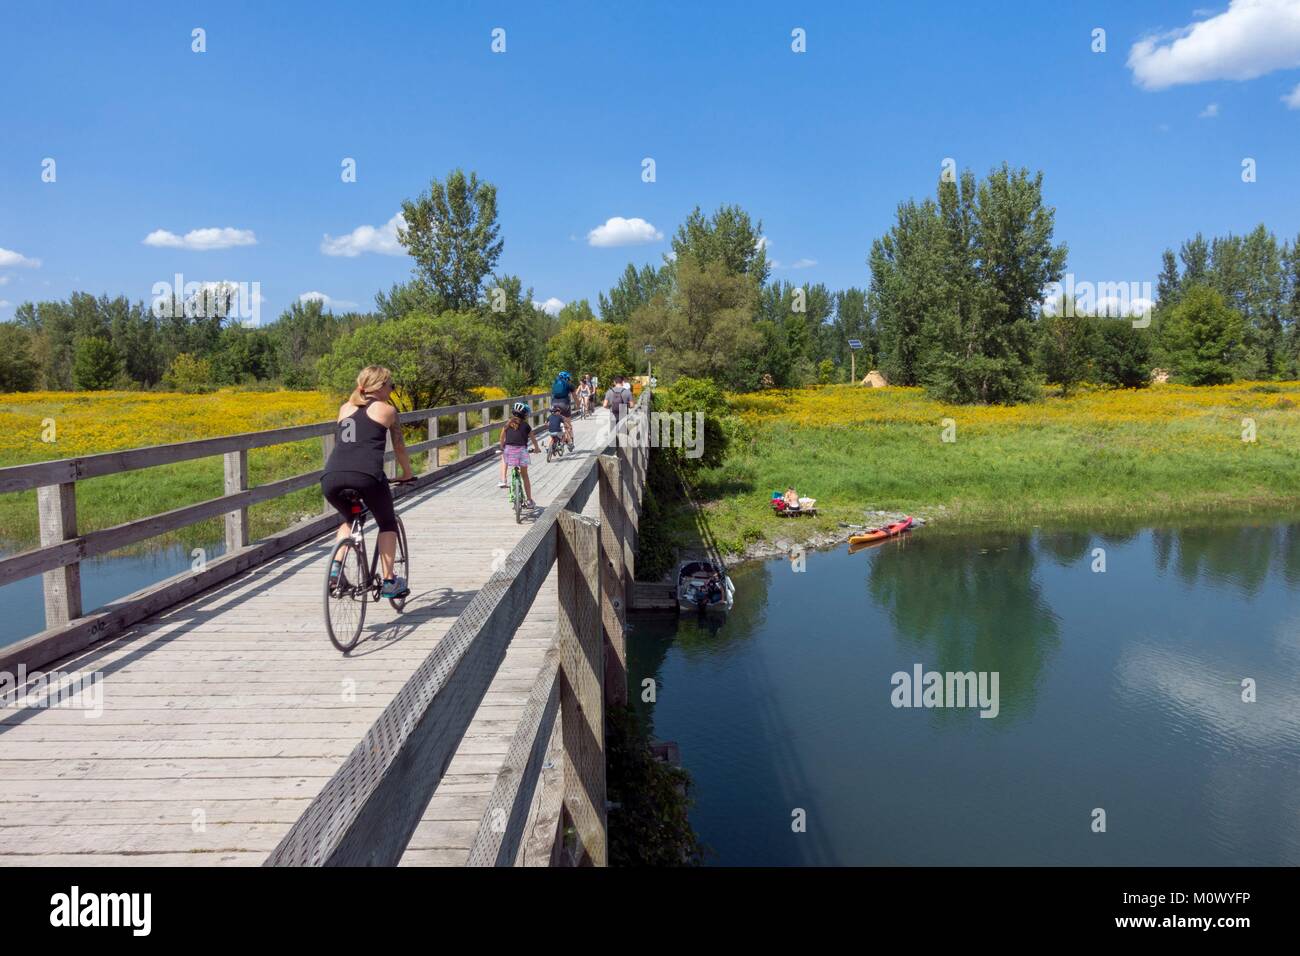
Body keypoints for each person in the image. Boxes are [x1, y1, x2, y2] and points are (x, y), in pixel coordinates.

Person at [320, 365, 414, 599]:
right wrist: (407, 473)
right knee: (387, 523)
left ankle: (335, 570)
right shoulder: (387, 410)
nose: (392, 389)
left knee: (350, 519)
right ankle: (390, 581)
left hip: (331, 476)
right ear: (381, 387)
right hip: (366, 476)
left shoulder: (345, 408)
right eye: (391, 385)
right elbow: (399, 447)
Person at [500, 400, 542, 508]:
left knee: (504, 456)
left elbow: (502, 436)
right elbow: (533, 439)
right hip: (522, 451)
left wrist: (502, 446)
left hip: (509, 450)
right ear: (525, 414)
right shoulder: (526, 426)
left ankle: (503, 480)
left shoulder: (508, 423)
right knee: (525, 475)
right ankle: (529, 500)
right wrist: (536, 448)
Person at [550, 370, 575, 445]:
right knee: (568, 423)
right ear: (567, 378)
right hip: (564, 405)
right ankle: (570, 442)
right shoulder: (569, 385)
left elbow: (552, 395)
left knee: (554, 421)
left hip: (554, 404)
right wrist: (578, 405)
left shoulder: (554, 384)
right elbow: (575, 397)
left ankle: (551, 443)